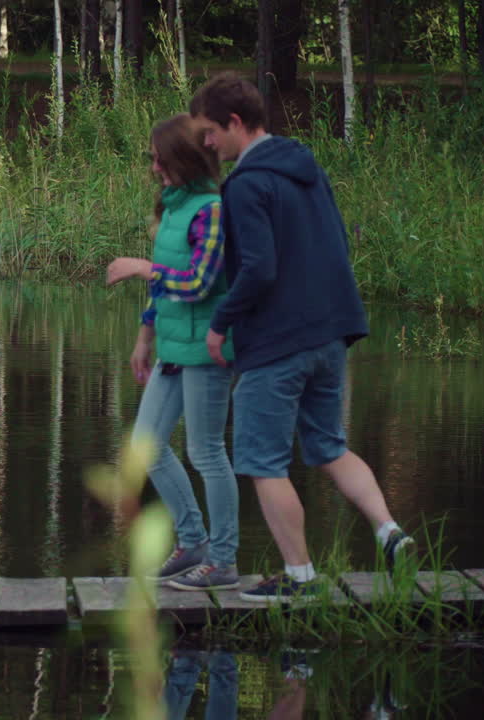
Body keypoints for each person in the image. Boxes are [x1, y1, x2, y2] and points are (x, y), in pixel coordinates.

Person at [188, 72, 413, 603]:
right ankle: (389, 531)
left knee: (262, 461)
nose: (206, 145)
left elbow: (260, 268)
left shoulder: (246, 184)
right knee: (330, 446)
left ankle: (298, 577)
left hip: (280, 341)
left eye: (210, 133)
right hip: (331, 332)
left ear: (235, 124)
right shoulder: (305, 166)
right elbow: (335, 243)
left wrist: (220, 324)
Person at [107, 113, 240, 592]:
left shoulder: (212, 210)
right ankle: (194, 544)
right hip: (172, 345)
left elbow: (200, 283)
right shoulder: (172, 206)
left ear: (183, 158)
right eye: (152, 159)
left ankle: (224, 560)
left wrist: (141, 268)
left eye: (160, 159)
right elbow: (166, 283)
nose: (154, 167)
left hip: (208, 348)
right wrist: (145, 337)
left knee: (206, 452)